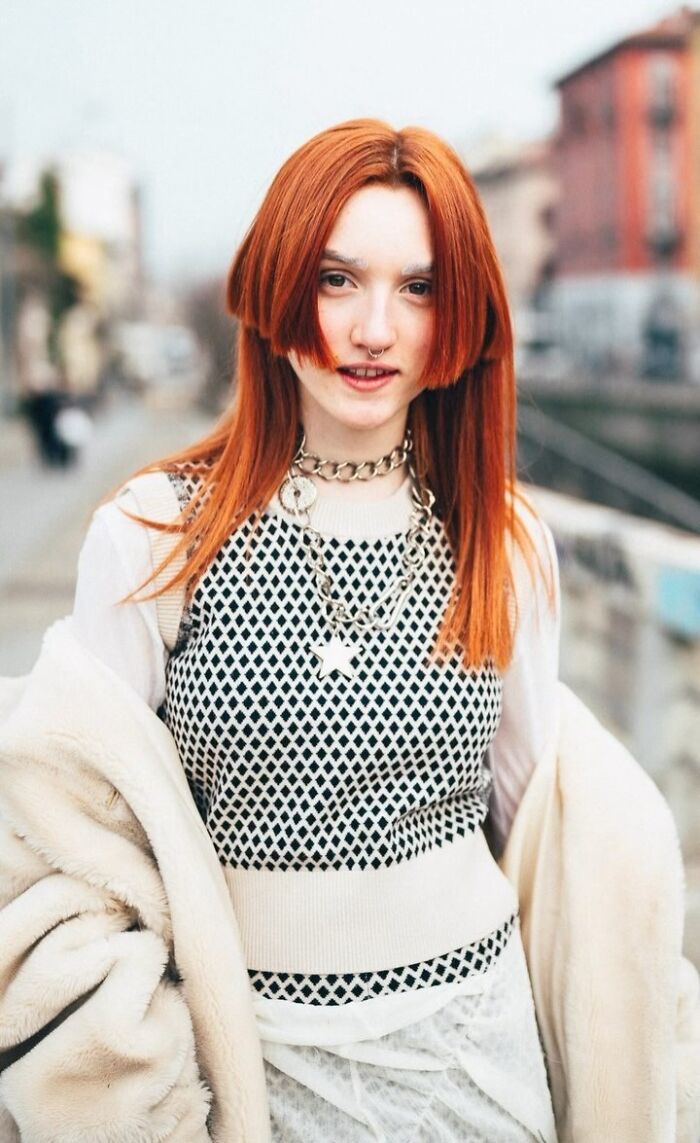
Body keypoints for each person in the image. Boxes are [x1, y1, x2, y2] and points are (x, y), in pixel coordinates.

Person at [3, 120, 695, 1142]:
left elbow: (542, 832)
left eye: (418, 289)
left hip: (477, 1065)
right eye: (337, 279)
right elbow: (72, 846)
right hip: (250, 1074)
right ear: (279, 287)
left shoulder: (500, 542)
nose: (375, 328)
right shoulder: (157, 534)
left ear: (457, 313)